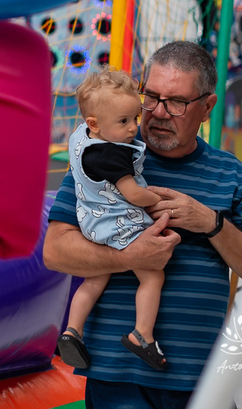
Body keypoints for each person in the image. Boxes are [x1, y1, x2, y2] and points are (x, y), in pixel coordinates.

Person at [44, 41, 242, 409]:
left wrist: (211, 223)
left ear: (207, 107)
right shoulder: (102, 157)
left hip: (202, 376)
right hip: (117, 378)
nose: (159, 112)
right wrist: (130, 256)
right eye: (151, 97)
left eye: (176, 102)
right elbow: (54, 252)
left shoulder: (233, 174)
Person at [57, 70, 167, 372]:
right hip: (119, 224)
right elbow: (133, 194)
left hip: (91, 223)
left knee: (95, 278)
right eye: (123, 121)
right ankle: (142, 335)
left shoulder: (82, 137)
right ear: (95, 123)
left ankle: (72, 331)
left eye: (135, 118)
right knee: (153, 277)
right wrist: (157, 199)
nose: (133, 128)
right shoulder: (112, 154)